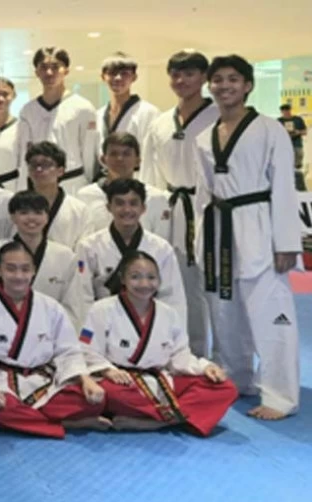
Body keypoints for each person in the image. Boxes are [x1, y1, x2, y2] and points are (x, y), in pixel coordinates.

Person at [197, 54, 301, 420]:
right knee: (225, 312)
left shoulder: (270, 128)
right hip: (220, 229)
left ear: (248, 85)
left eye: (233, 79)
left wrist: (286, 242)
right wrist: (200, 242)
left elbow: (285, 188)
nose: (224, 86)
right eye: (218, 80)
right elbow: (203, 195)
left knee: (271, 314)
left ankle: (279, 394)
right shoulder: (203, 138)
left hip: (260, 224)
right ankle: (236, 378)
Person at [81, 252, 238, 435]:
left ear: (159, 280)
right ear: (123, 279)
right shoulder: (101, 309)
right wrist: (108, 370)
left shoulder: (169, 314)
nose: (145, 284)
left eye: (151, 277)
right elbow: (87, 349)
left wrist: (206, 367)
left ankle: (157, 421)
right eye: (135, 277)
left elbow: (180, 356)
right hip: (122, 384)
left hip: (160, 381)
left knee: (225, 388)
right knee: (105, 393)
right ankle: (174, 416)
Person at [0, 242, 109, 438]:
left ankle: (26, 421)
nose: (19, 276)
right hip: (5, 381)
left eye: (25, 269)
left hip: (45, 381)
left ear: (34, 271)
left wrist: (85, 379)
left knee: (94, 399)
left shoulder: (51, 307)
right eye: (11, 269)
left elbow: (68, 350)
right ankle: (63, 424)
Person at [140, 50, 217, 358]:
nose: (181, 80)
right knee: (171, 283)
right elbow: (149, 174)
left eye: (189, 73)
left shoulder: (218, 119)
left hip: (207, 209)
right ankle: (171, 350)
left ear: (203, 78)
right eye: (175, 74)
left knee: (205, 288)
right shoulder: (160, 123)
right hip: (169, 209)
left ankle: (202, 353)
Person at [74, 179, 185, 327]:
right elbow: (82, 297)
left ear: (143, 208)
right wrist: (90, 333)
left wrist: (170, 334)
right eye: (119, 203)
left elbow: (172, 297)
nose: (127, 210)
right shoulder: (88, 247)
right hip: (104, 323)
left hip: (149, 324)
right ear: (108, 207)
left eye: (133, 203)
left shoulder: (161, 248)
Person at [0, 191, 86, 328]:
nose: (31, 218)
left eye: (38, 213)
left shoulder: (65, 255)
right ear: (13, 217)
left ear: (47, 217)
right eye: (24, 213)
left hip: (49, 329)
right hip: (3, 326)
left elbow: (72, 304)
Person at [15, 47, 99, 193]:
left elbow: (89, 152)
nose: (49, 72)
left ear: (66, 70)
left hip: (73, 184)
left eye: (55, 67)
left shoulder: (83, 108)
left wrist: (89, 183)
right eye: (44, 67)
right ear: (36, 72)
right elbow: (24, 153)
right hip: (39, 183)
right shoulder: (28, 111)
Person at [76, 132, 170, 237]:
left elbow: (162, 243)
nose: (120, 159)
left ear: (138, 161)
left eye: (126, 154)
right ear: (103, 160)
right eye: (113, 154)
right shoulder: (84, 197)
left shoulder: (156, 198)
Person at [95, 52, 160, 180]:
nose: (118, 78)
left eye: (124, 74)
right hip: (106, 181)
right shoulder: (98, 114)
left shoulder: (148, 112)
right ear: (103, 77)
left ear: (134, 77)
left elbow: (151, 158)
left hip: (136, 180)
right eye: (112, 73)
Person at [24, 141, 90, 248]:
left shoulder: (79, 209)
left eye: (46, 165)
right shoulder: (17, 205)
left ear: (60, 171)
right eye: (34, 164)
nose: (39, 169)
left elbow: (84, 250)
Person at [0, 78, 22, 189]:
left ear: (14, 96)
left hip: (12, 187)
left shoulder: (21, 128)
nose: (0, 99)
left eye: (5, 94)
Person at [279, 103, 307, 177]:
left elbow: (305, 131)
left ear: (290, 110)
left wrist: (298, 132)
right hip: (284, 146)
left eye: (287, 111)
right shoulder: (279, 121)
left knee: (298, 164)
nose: (286, 113)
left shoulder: (298, 119)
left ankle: (298, 177)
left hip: (297, 144)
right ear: (281, 112)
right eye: (284, 112)